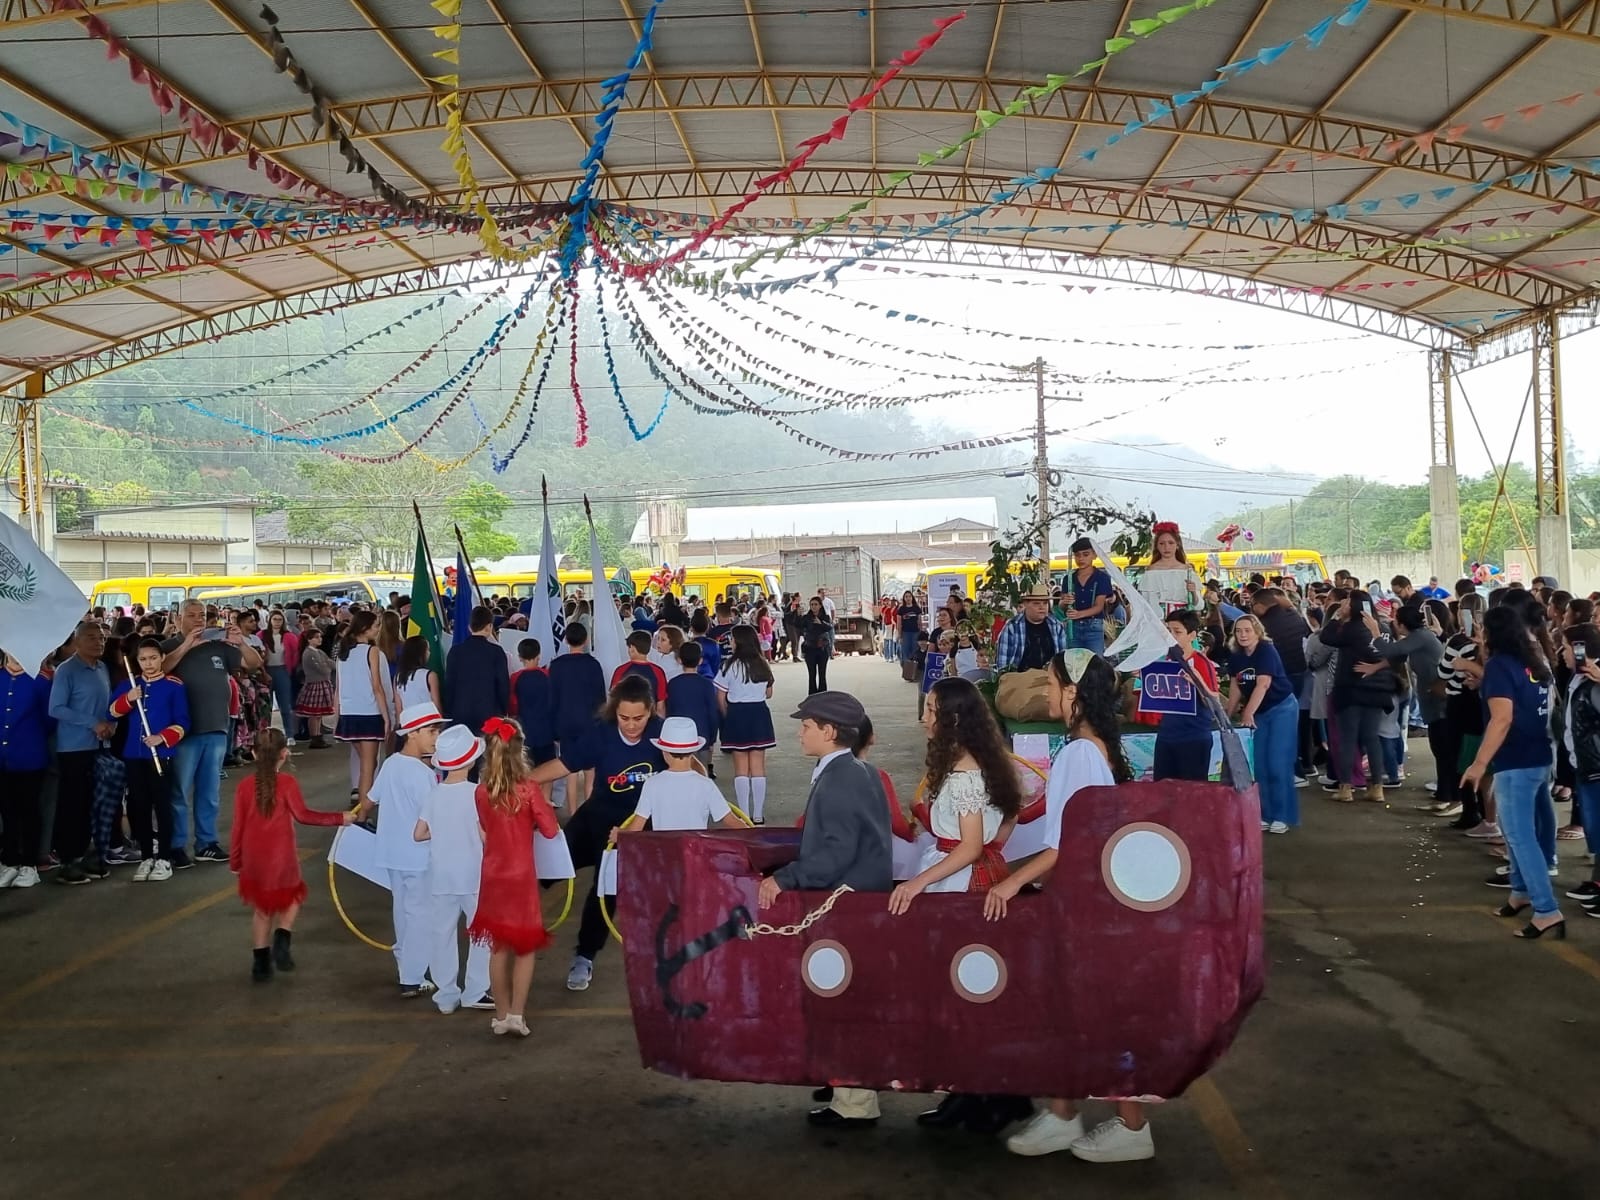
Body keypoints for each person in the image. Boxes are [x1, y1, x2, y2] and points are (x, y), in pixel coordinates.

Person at [984, 650, 1153, 1163]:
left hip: (1081, 903)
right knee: (1066, 1012)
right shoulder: (1095, 746)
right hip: (1089, 900)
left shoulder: (1080, 752)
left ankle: (1131, 1125)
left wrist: (1010, 883)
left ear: (1074, 694)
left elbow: (1065, 845)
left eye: (1053, 684)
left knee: (1087, 1014)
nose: (1047, 693)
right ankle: (1062, 1112)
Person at [758, 690, 891, 1130]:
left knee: (840, 1000)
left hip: (845, 905)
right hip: (862, 900)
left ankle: (854, 1102)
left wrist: (783, 878)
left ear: (830, 732)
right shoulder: (861, 771)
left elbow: (834, 853)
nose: (800, 732)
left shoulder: (836, 780)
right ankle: (848, 1084)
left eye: (808, 725)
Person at [531, 675, 665, 994]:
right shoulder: (601, 734)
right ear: (614, 711)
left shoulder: (662, 735)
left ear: (651, 711)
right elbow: (564, 764)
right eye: (624, 717)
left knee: (604, 893)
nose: (631, 725)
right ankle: (509, 932)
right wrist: (517, 784)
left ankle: (584, 956)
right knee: (544, 867)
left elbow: (688, 768)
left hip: (636, 828)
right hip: (596, 816)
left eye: (639, 718)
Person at [1462, 606, 1563, 938]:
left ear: (1490, 634)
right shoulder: (1532, 660)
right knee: (1516, 833)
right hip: (1539, 756)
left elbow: (1502, 719)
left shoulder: (1500, 667)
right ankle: (1520, 892)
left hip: (1515, 761)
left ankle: (1547, 911)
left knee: (1520, 838)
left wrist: (1478, 764)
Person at [230, 728, 355, 981]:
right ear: (284, 754)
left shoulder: (243, 787)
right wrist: (339, 818)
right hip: (281, 855)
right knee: (292, 897)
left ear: (253, 753)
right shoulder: (287, 784)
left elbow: (238, 826)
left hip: (254, 857)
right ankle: (282, 937)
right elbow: (304, 815)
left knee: (262, 909)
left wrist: (236, 860)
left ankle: (260, 964)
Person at [464, 716, 561, 1036]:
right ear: (521, 750)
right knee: (525, 946)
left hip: (492, 874)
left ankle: (501, 1014)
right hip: (521, 877)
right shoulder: (529, 790)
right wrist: (541, 812)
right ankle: (518, 1015)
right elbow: (550, 830)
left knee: (498, 947)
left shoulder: (481, 792)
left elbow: (486, 828)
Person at [364, 702, 448, 998]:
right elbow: (433, 820)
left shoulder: (391, 764)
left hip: (392, 855)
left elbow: (370, 800)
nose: (436, 737)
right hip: (418, 857)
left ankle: (408, 968)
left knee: (404, 912)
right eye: (431, 731)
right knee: (421, 915)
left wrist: (354, 820)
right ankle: (412, 977)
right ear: (412, 734)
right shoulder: (422, 774)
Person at [413, 723, 495, 1017]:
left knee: (442, 934)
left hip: (441, 877)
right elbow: (485, 836)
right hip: (473, 876)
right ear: (471, 761)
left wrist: (444, 832)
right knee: (481, 934)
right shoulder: (478, 793)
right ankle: (475, 990)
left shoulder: (434, 794)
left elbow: (419, 833)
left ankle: (446, 994)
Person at [109, 638, 189, 881]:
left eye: (153, 658)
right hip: (134, 754)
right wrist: (129, 699)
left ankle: (164, 858)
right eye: (143, 659)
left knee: (162, 806)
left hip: (160, 754)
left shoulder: (174, 685)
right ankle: (146, 857)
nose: (149, 663)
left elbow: (184, 722)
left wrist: (162, 738)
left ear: (162, 658)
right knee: (139, 806)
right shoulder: (128, 685)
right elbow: (110, 712)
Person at [48, 619, 114, 885]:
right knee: (72, 805)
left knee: (94, 804)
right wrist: (92, 723)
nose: (98, 642)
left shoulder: (102, 668)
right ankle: (68, 860)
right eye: (90, 637)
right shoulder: (67, 671)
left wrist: (111, 724)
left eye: (101, 637)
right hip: (74, 748)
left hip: (100, 746)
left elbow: (108, 706)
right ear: (76, 642)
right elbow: (56, 708)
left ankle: (88, 854)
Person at [1224, 614, 1299, 834]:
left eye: (1247, 630)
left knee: (1277, 763)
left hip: (1281, 709)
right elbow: (1236, 685)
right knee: (1259, 765)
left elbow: (1263, 684)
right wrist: (1227, 714)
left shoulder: (1266, 650)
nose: (1243, 635)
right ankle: (1264, 813)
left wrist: (1247, 714)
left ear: (1257, 632)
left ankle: (1282, 814)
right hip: (1260, 713)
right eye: (1239, 631)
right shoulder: (1236, 655)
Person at [1319, 591, 1395, 804]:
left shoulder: (1350, 628)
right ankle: (1377, 788)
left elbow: (1326, 637)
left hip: (1351, 688)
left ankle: (1346, 788)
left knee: (1347, 739)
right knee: (1372, 738)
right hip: (1378, 689)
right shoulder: (1385, 628)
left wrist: (1336, 617)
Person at [616, 717, 742, 833]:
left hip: (664, 856)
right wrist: (757, 836)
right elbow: (731, 821)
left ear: (663, 751)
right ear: (693, 751)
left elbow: (636, 828)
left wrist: (619, 834)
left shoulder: (652, 784)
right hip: (696, 855)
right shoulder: (705, 784)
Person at [0, 647, 53, 890]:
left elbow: (49, 720)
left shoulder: (40, 680)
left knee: (30, 811)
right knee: (7, 811)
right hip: (3, 757)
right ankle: (9, 861)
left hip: (30, 755)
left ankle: (29, 864)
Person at [1558, 624, 1600, 913]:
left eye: (1566, 646)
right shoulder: (1580, 677)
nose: (1562, 652)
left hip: (1597, 765)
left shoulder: (1595, 680)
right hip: (1585, 763)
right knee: (1595, 830)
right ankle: (1597, 882)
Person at [717, 625, 776, 824]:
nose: (731, 643)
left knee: (740, 767)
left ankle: (743, 815)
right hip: (759, 713)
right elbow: (769, 693)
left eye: (732, 640)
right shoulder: (763, 663)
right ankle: (758, 815)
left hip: (737, 713)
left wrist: (727, 714)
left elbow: (720, 695)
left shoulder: (728, 665)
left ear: (739, 642)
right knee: (758, 765)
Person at [1153, 611, 1221, 783]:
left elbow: (1215, 703)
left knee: (1193, 793)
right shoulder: (1163, 660)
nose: (1171, 636)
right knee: (1164, 790)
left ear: (1192, 635)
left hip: (1193, 737)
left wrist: (1198, 683)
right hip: (1166, 735)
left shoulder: (1201, 662)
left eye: (1177, 632)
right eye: (1168, 631)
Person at [334, 611, 391, 809]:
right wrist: (386, 717)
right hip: (368, 713)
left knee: (367, 764)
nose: (378, 630)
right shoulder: (371, 651)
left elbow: (338, 688)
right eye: (376, 626)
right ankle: (362, 815)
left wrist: (337, 715)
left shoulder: (342, 653)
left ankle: (361, 808)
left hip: (349, 713)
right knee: (369, 766)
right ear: (365, 628)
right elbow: (377, 686)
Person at [548, 622, 608, 807]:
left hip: (565, 722)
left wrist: (553, 729)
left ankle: (573, 813)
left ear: (565, 639)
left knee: (570, 770)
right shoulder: (593, 664)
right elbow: (601, 698)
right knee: (590, 771)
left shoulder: (556, 665)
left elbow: (552, 698)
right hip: (590, 722)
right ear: (586, 640)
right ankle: (589, 814)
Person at [443, 606, 511, 737]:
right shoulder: (496, 652)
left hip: (460, 714)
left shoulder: (455, 651)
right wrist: (503, 711)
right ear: (489, 627)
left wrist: (450, 712)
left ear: (469, 627)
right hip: (490, 715)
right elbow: (503, 686)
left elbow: (449, 685)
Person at [667, 640, 719, 776]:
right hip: (702, 736)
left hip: (678, 737)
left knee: (680, 773)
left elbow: (668, 711)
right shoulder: (707, 685)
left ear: (679, 660)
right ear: (700, 661)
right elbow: (713, 713)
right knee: (701, 773)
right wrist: (712, 737)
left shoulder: (673, 684)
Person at [996, 582, 1072, 671]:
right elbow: (1003, 665)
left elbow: (1062, 660)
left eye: (1045, 603)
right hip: (1020, 679)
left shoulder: (1056, 626)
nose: (1042, 607)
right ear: (1025, 604)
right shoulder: (1012, 628)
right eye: (1036, 603)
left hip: (1049, 678)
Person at [1137, 521, 1203, 616]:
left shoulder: (1187, 570)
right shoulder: (1152, 571)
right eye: (1162, 543)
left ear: (1177, 545)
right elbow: (1150, 603)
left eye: (1171, 543)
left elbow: (1199, 605)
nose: (1166, 547)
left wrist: (1193, 593)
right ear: (1157, 546)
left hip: (1184, 622)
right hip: (1160, 624)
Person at [509, 639, 557, 766]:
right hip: (546, 731)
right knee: (548, 771)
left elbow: (513, 705)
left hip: (525, 731)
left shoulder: (515, 678)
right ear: (539, 655)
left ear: (520, 657)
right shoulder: (548, 675)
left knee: (526, 771)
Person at [259, 610, 300, 745]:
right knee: (267, 706)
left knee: (285, 705)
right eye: (274, 619)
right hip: (267, 671)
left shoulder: (289, 636)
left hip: (283, 670)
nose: (277, 622)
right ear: (269, 620)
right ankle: (267, 736)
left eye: (279, 619)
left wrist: (290, 668)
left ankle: (289, 734)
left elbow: (295, 653)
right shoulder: (262, 635)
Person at [294, 626, 335, 750]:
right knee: (314, 713)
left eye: (320, 637)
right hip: (315, 684)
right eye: (316, 637)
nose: (320, 639)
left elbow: (330, 663)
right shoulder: (308, 653)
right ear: (309, 640)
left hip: (322, 682)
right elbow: (322, 667)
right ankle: (314, 737)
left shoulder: (319, 652)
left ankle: (318, 735)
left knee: (318, 714)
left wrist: (328, 665)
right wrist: (327, 666)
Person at [613, 630, 668, 713]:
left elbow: (613, 699)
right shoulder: (658, 671)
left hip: (626, 719)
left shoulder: (621, 670)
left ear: (632, 648)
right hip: (650, 719)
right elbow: (660, 705)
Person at [395, 635, 442, 714]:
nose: (429, 653)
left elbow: (399, 709)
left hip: (408, 722)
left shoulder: (398, 677)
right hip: (428, 721)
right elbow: (436, 705)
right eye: (428, 650)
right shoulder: (430, 675)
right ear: (421, 653)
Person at [799, 595, 834, 695]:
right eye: (812, 605)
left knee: (822, 674)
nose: (813, 606)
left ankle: (822, 696)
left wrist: (821, 623)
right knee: (812, 674)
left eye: (816, 604)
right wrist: (796, 615)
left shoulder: (825, 617)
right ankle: (812, 696)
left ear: (820, 606)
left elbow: (830, 627)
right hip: (810, 649)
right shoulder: (806, 618)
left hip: (822, 649)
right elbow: (797, 625)